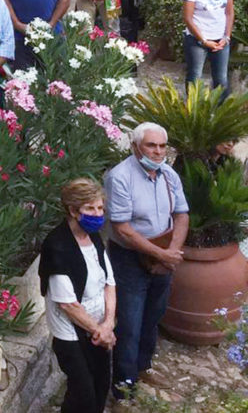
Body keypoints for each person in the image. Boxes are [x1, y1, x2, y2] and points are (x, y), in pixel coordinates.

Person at [104, 122, 188, 400]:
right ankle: (123, 388)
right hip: (129, 258)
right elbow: (122, 228)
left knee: (153, 317)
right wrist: (161, 255)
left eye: (162, 146)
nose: (158, 151)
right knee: (129, 323)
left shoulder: (168, 174)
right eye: (151, 145)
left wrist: (171, 253)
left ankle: (142, 366)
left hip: (164, 255)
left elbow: (182, 215)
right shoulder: (120, 177)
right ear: (135, 146)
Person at [38, 179, 116, 413]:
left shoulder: (93, 238)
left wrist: (108, 323)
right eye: (90, 208)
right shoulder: (58, 245)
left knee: (102, 384)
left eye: (100, 208)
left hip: (99, 327)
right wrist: (99, 332)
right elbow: (68, 304)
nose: (97, 214)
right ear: (73, 210)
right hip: (71, 333)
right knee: (83, 393)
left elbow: (109, 283)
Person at [182, 0, 236, 100]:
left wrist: (227, 37)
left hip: (221, 40)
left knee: (221, 79)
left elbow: (229, 12)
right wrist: (204, 40)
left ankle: (219, 115)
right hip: (197, 39)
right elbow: (188, 17)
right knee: (195, 76)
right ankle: (193, 112)